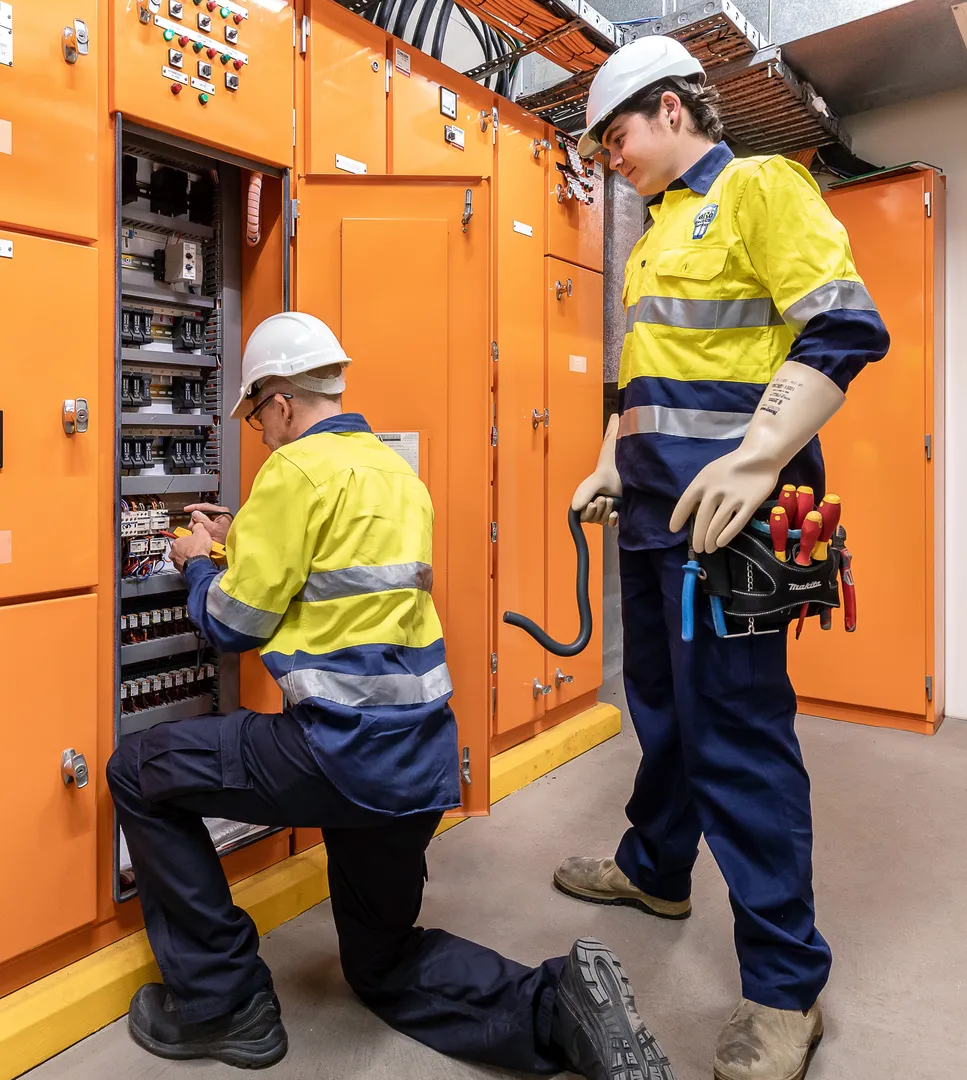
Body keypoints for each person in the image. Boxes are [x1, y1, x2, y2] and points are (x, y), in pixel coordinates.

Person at [106, 311, 677, 1080]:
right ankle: (559, 1007)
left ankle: (221, 1003)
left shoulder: (294, 470)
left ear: (279, 401)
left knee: (139, 769)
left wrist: (198, 561)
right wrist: (243, 536)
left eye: (255, 417)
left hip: (334, 753)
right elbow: (335, 562)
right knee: (382, 963)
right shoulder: (391, 472)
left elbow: (234, 626)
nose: (259, 436)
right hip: (414, 764)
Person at [551, 36, 890, 1080]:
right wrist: (611, 455)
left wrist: (756, 460)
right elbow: (644, 375)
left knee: (735, 739)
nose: (607, 155)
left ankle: (787, 993)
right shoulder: (654, 234)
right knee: (662, 713)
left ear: (669, 110)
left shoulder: (758, 188)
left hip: (731, 526)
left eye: (615, 133)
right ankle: (657, 869)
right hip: (655, 518)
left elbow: (842, 330)